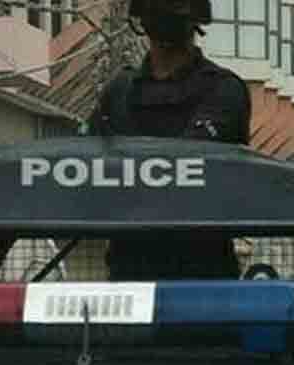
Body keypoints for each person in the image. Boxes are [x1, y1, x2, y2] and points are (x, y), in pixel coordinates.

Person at [86, 0, 250, 281]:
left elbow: (195, 167)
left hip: (203, 273)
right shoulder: (120, 91)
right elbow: (87, 163)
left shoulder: (222, 89)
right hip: (130, 272)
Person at [87, 0, 251, 143]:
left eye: (175, 3)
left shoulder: (223, 89)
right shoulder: (119, 90)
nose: (165, 9)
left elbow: (197, 158)